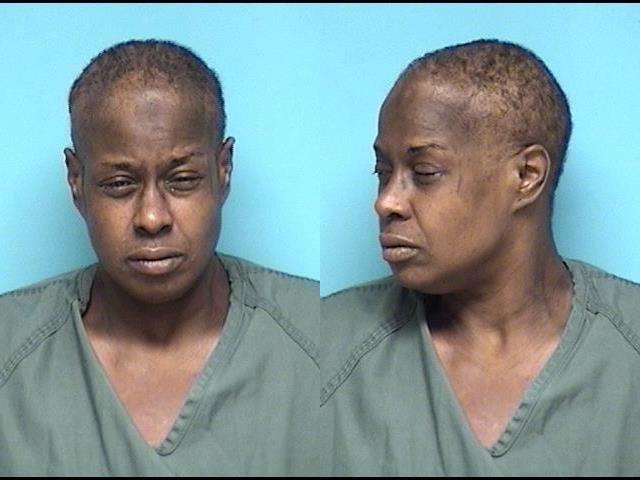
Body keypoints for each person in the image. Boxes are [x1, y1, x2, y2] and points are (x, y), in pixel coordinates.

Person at [321, 39, 640, 476]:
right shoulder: (323, 352)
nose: (386, 202)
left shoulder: (627, 353)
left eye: (424, 172)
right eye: (383, 172)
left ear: (526, 176)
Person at [0, 39, 319, 476]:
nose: (152, 217)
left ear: (223, 170)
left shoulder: (322, 342)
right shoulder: (10, 352)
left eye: (182, 180)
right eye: (119, 184)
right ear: (76, 181)